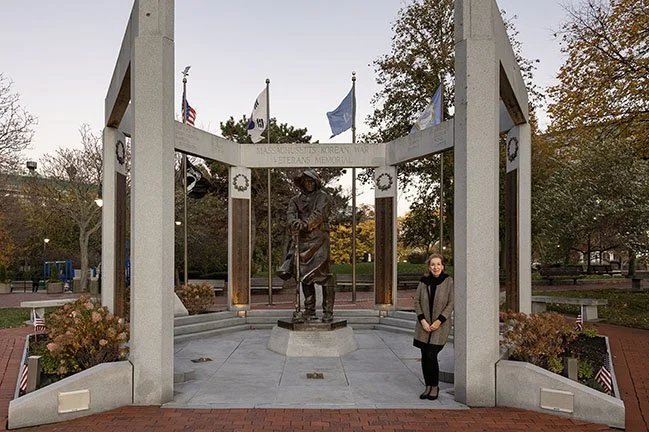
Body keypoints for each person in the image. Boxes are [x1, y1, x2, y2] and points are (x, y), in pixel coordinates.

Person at [277, 169, 335, 322]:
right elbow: (290, 214)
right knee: (304, 276)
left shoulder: (322, 197)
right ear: (301, 184)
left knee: (324, 276)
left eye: (311, 181)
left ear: (316, 182)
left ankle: (328, 311)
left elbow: (319, 214)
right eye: (306, 182)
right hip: (302, 242)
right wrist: (294, 223)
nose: (309, 184)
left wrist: (305, 224)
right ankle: (309, 310)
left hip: (319, 240)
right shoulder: (295, 200)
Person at [413, 253, 454, 401]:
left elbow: (451, 303)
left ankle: (435, 386)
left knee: (431, 355)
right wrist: (423, 321)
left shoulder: (448, 281)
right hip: (423, 326)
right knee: (424, 356)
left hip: (440, 326)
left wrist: (438, 321)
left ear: (442, 266)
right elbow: (417, 301)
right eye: (432, 265)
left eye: (438, 264)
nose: (435, 267)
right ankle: (428, 386)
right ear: (429, 267)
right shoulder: (423, 282)